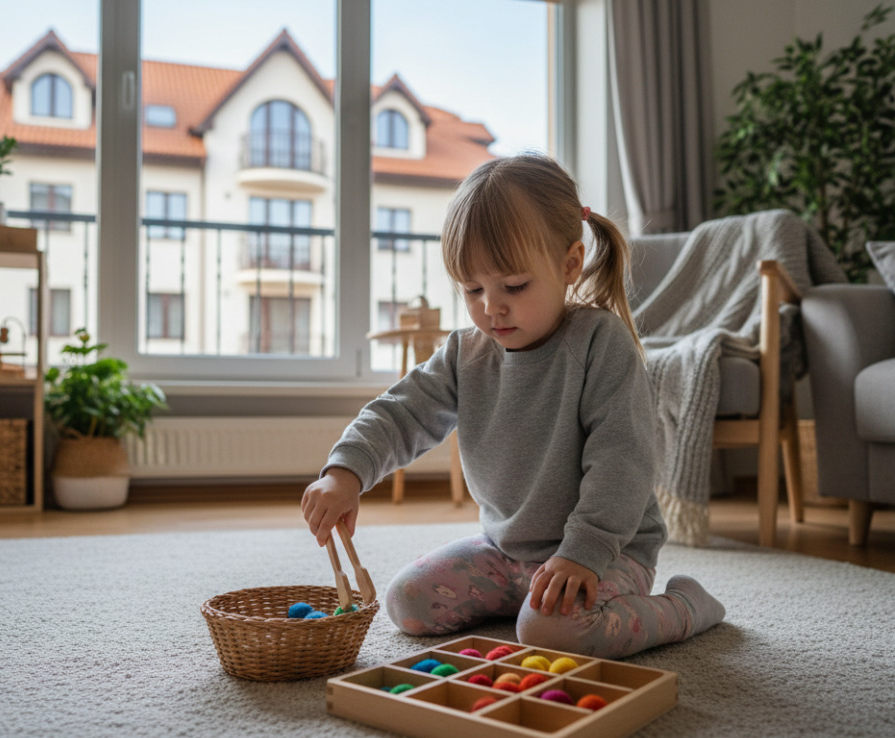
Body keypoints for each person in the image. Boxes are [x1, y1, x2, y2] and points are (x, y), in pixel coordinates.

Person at [301, 154, 724, 658]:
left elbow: (622, 461)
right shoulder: (465, 352)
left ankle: (683, 607)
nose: (491, 307)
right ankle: (526, 602)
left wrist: (583, 555)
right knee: (407, 603)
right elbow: (400, 412)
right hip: (504, 552)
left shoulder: (599, 343)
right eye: (473, 289)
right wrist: (345, 472)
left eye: (514, 286)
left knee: (552, 634)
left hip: (604, 551)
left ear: (570, 265)